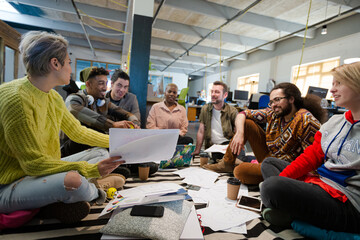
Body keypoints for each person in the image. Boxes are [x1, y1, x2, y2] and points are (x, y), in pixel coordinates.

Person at [0, 31, 125, 224]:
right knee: (74, 181)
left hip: (40, 173)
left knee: (101, 154)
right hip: (11, 184)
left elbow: (77, 132)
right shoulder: (16, 99)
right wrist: (88, 170)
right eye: (68, 62)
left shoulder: (52, 96)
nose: (70, 69)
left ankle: (55, 201)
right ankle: (96, 191)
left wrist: (119, 142)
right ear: (54, 63)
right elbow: (33, 164)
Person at [260, 62, 360, 234]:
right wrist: (285, 182)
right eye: (332, 84)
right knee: (269, 164)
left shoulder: (305, 118)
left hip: (346, 202)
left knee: (271, 187)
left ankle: (287, 212)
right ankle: (288, 209)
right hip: (320, 183)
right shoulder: (335, 122)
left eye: (339, 83)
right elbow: (310, 158)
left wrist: (278, 187)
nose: (332, 90)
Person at [204, 82, 326, 185]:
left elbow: (312, 161)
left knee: (240, 171)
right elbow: (243, 114)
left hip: (287, 168)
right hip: (269, 158)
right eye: (271, 102)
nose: (273, 105)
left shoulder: (305, 120)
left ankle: (264, 174)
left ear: (291, 99)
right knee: (247, 124)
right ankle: (227, 163)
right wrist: (239, 134)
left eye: (277, 100)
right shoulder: (273, 113)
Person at [61, 66, 140, 157]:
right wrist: (112, 125)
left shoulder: (102, 102)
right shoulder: (74, 98)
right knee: (95, 130)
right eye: (101, 83)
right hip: (69, 149)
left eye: (106, 84)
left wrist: (134, 124)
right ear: (88, 84)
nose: (105, 88)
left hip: (90, 149)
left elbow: (126, 114)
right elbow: (74, 109)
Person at [192, 81, 238, 161]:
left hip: (228, 144)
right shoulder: (205, 109)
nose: (213, 94)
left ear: (225, 95)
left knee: (236, 160)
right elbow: (201, 131)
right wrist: (197, 150)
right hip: (214, 147)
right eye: (212, 91)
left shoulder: (232, 111)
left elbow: (238, 133)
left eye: (217, 92)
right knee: (221, 160)